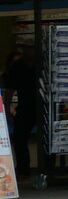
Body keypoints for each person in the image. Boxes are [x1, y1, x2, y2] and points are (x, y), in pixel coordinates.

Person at [3, 45, 38, 179]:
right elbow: (9, 91)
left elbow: (9, 91)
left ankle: (46, 168)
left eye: (31, 49)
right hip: (26, 106)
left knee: (46, 139)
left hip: (41, 105)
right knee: (19, 138)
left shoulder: (43, 64)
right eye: (27, 49)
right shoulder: (17, 67)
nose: (29, 52)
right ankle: (24, 170)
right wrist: (7, 110)